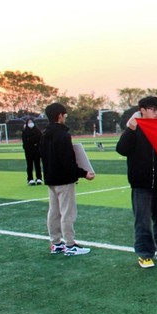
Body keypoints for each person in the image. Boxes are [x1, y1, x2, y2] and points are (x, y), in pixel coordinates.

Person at [116, 96, 157, 269]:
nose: (156, 113)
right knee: (143, 222)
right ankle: (145, 254)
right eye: (153, 109)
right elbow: (121, 149)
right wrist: (131, 129)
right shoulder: (134, 128)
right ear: (142, 110)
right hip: (141, 184)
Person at [39, 102, 95, 256]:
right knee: (67, 213)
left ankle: (56, 243)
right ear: (60, 116)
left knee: (54, 212)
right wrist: (84, 173)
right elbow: (68, 161)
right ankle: (70, 244)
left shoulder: (45, 134)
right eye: (64, 115)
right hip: (63, 179)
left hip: (51, 178)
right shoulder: (63, 135)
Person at [22, 118, 43, 185]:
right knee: (29, 165)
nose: (30, 123)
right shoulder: (25, 132)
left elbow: (41, 139)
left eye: (31, 122)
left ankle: (39, 178)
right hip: (28, 151)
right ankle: (30, 179)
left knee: (37, 164)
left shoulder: (37, 131)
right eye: (29, 122)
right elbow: (24, 142)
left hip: (37, 150)